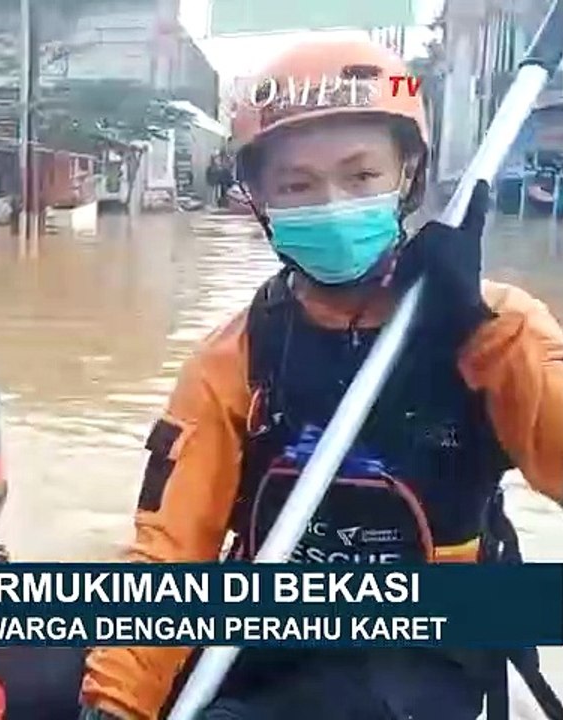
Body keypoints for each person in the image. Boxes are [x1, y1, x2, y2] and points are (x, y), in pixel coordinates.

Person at [77, 39, 563, 720]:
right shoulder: (239, 353)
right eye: (298, 185)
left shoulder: (499, 326)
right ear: (258, 201)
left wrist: (474, 334)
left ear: (409, 174)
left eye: (361, 176)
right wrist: (114, 704)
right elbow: (170, 549)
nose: (332, 204)